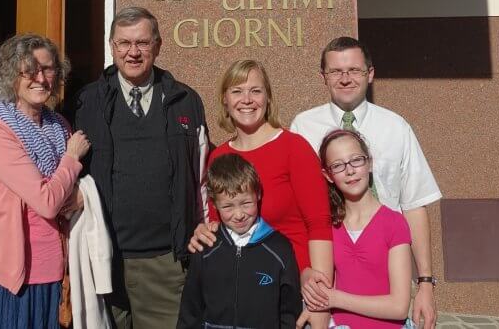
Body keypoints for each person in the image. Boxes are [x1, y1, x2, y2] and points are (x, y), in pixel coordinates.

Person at [290, 37, 441, 329]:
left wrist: (425, 284)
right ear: (323, 77)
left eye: (354, 70)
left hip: (385, 275)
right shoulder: (303, 127)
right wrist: (306, 274)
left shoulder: (396, 127)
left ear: (370, 74)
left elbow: (413, 205)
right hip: (329, 276)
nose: (345, 79)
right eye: (336, 71)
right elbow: (297, 212)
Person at [75, 6, 209, 329]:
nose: (132, 52)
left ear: (158, 46)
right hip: (103, 259)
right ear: (112, 47)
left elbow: (202, 176)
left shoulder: (185, 100)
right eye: (123, 43)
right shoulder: (86, 102)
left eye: (142, 43)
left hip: (165, 263)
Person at [192, 59, 333, 329]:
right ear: (225, 100)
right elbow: (218, 223)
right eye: (237, 91)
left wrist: (319, 301)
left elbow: (319, 225)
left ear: (268, 98)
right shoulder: (219, 157)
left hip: (294, 287)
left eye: (255, 91)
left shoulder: (294, 148)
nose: (247, 99)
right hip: (242, 293)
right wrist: (204, 231)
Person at [0, 33, 91, 329]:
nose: (40, 78)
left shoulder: (60, 126)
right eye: (29, 70)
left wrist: (82, 196)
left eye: (48, 69)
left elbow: (69, 193)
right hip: (8, 274)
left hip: (55, 271)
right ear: (10, 77)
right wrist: (71, 159)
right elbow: (47, 202)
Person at [177, 153, 302, 329]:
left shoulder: (279, 249)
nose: (239, 215)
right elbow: (190, 310)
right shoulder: (205, 247)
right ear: (214, 205)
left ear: (258, 194)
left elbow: (289, 312)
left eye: (246, 203)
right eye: (228, 206)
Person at [307, 129, 412, 329]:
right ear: (328, 175)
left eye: (356, 160)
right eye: (338, 165)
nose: (350, 170)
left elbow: (399, 306)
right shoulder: (329, 225)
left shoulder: (394, 223)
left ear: (369, 163)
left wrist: (335, 298)